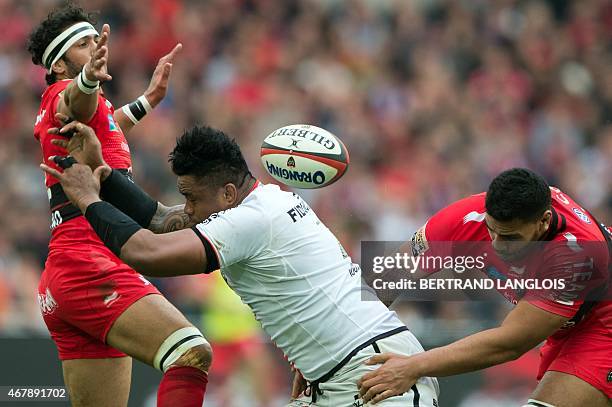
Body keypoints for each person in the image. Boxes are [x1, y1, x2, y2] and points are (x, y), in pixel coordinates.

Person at [42, 121, 440, 407]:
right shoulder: (265, 202)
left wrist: (88, 200)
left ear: (229, 192)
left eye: (192, 198)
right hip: (336, 376)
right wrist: (104, 174)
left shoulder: (251, 221)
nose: (190, 210)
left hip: (379, 376)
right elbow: (165, 221)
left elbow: (146, 251)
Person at [28, 4, 211, 406]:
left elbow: (108, 123)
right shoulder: (64, 93)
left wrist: (148, 100)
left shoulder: (88, 110)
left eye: (95, 39)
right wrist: (87, 80)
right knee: (191, 352)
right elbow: (75, 103)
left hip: (69, 270)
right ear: (60, 64)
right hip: (90, 260)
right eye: (83, 44)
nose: (96, 47)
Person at [357, 168, 611, 406]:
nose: (498, 245)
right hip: (571, 324)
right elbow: (387, 279)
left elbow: (510, 343)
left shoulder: (576, 255)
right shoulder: (467, 216)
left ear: (543, 222)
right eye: (492, 231)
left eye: (511, 237)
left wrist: (412, 366)